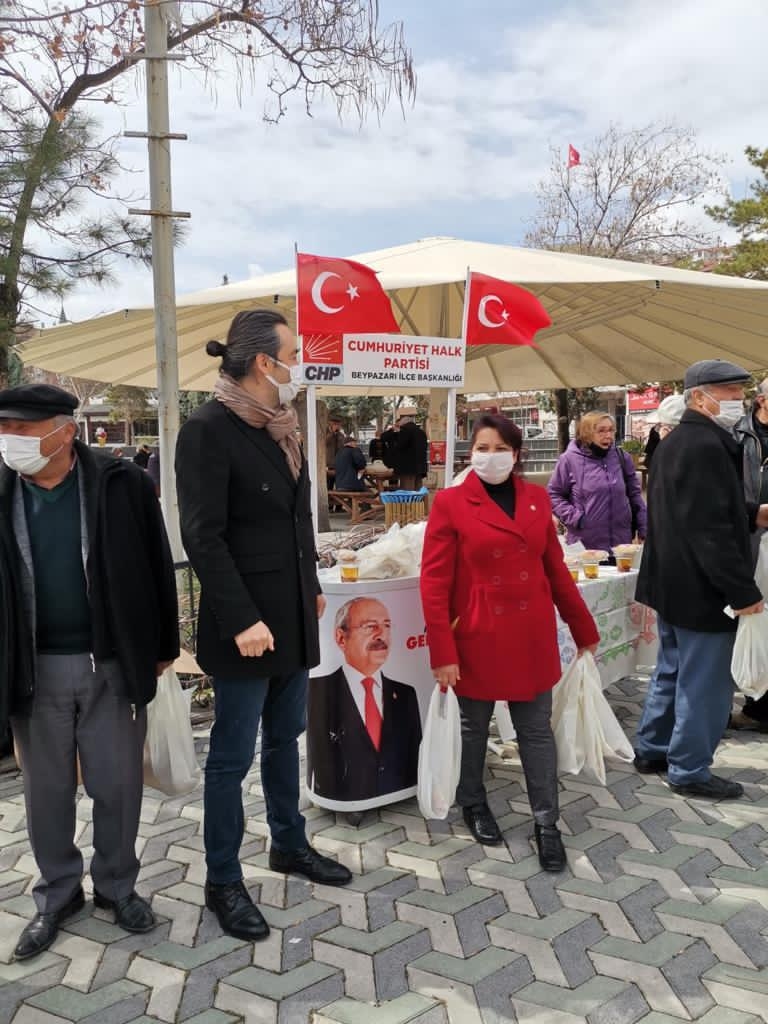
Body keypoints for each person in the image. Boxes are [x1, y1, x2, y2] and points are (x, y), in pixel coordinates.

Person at [176, 309, 352, 943]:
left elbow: (298, 521)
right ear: (261, 363)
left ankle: (288, 844)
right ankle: (222, 878)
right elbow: (203, 533)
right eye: (292, 353)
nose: (298, 364)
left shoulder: (282, 427)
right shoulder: (207, 429)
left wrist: (310, 594)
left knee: (285, 739)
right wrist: (244, 617)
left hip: (291, 617)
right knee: (229, 758)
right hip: (245, 625)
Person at [0, 384, 179, 961]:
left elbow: (156, 562)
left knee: (117, 783)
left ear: (64, 431)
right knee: (46, 789)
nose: (11, 441)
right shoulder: (3, 489)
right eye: (4, 429)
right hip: (33, 667)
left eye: (23, 430)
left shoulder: (119, 483)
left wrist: (161, 646)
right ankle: (57, 893)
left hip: (109, 661)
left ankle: (117, 886)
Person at [420, 413, 599, 870]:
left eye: (500, 448)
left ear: (516, 454)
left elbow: (555, 571)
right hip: (477, 635)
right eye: (482, 448)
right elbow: (434, 583)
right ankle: (473, 803)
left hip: (530, 634)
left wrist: (583, 629)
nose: (491, 456)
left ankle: (547, 823)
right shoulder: (450, 503)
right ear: (471, 454)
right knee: (473, 728)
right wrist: (443, 651)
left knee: (536, 732)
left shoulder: (537, 500)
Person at [634, 360, 768, 799]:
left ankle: (653, 749)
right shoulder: (706, 446)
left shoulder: (677, 441)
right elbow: (708, 530)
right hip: (701, 588)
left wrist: (751, 514)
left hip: (671, 583)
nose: (737, 401)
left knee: (671, 670)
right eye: (728, 393)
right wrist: (743, 593)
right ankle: (690, 769)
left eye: (738, 393)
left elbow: (691, 506)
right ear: (699, 397)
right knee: (705, 683)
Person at [307, 597, 422, 803]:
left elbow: (414, 756)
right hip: (344, 799)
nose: (382, 635)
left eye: (387, 626)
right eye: (370, 627)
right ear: (341, 638)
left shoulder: (405, 694)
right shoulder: (317, 691)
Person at [548, 411, 647, 553]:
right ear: (586, 433)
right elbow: (553, 495)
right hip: (585, 547)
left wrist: (644, 528)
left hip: (621, 546)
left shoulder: (622, 458)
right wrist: (577, 518)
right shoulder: (569, 459)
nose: (608, 435)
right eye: (601, 431)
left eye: (611, 430)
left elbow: (635, 496)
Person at [730, 377, 768, 730]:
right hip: (748, 536)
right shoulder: (737, 435)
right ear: (761, 401)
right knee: (747, 616)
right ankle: (749, 701)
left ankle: (761, 708)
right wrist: (753, 511)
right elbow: (724, 491)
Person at [391, 416, 428, 490]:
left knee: (407, 490)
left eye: (400, 425)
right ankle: (419, 502)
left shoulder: (405, 431)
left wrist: (395, 435)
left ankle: (409, 502)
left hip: (407, 467)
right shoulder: (422, 432)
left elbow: (399, 446)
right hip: (420, 466)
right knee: (418, 489)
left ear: (404, 423)